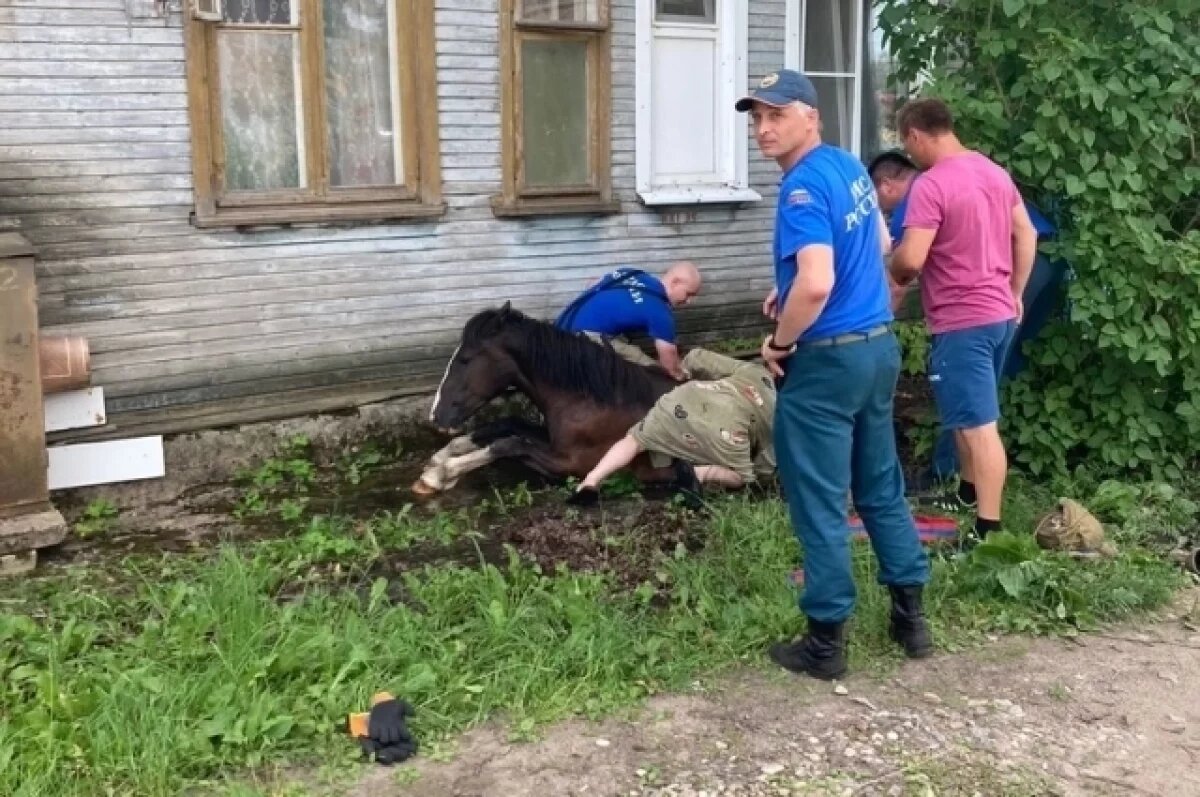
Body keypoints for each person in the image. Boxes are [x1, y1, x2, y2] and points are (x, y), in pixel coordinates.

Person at [736, 69, 932, 681]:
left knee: (818, 500)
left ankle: (825, 644)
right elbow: (874, 245)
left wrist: (780, 340)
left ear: (810, 117)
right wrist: (787, 285)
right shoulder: (848, 167)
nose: (764, 129)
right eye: (756, 118)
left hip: (826, 362)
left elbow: (818, 281)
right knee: (880, 487)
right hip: (877, 349)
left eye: (777, 115)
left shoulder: (799, 191)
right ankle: (911, 620)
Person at [868, 148, 1065, 493]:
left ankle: (949, 473)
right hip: (1046, 258)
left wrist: (877, 326)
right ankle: (984, 469)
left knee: (965, 380)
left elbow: (901, 278)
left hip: (1012, 270)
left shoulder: (917, 198)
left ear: (885, 185)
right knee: (998, 365)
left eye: (879, 202)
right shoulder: (967, 172)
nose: (884, 214)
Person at [887, 99, 1039, 542]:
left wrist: (891, 270)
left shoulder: (931, 185)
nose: (909, 154)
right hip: (998, 316)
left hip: (962, 319)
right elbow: (1026, 233)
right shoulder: (993, 172)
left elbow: (911, 260)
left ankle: (987, 532)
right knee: (967, 414)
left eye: (906, 145)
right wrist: (1015, 293)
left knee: (978, 426)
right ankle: (968, 494)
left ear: (915, 134)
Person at [567, 347, 777, 505]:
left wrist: (684, 371)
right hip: (728, 430)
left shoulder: (754, 370)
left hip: (683, 400)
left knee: (634, 440)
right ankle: (699, 474)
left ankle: (591, 480)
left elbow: (697, 357)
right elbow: (767, 466)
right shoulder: (782, 412)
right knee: (743, 478)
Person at [555, 262, 702, 380]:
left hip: (559, 327)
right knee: (653, 371)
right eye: (688, 294)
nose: (689, 301)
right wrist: (680, 375)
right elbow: (669, 365)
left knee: (623, 341)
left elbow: (592, 283)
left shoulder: (632, 273)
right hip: (578, 341)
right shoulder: (660, 313)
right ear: (675, 282)